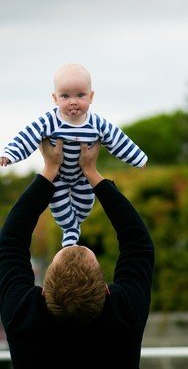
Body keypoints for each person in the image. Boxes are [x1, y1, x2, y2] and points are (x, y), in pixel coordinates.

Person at [0, 138, 155, 369]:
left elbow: (10, 243)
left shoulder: (24, 316)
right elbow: (138, 244)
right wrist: (90, 173)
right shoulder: (125, 313)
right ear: (106, 291)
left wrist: (51, 171)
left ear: (43, 293)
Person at [0, 63, 148, 247]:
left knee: (85, 205)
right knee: (60, 208)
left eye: (80, 95)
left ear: (91, 96)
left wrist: (137, 157)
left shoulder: (96, 123)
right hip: (58, 177)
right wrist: (10, 154)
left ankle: (75, 226)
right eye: (65, 96)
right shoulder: (50, 120)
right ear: (55, 98)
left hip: (82, 177)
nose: (73, 101)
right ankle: (70, 230)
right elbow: (28, 136)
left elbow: (117, 140)